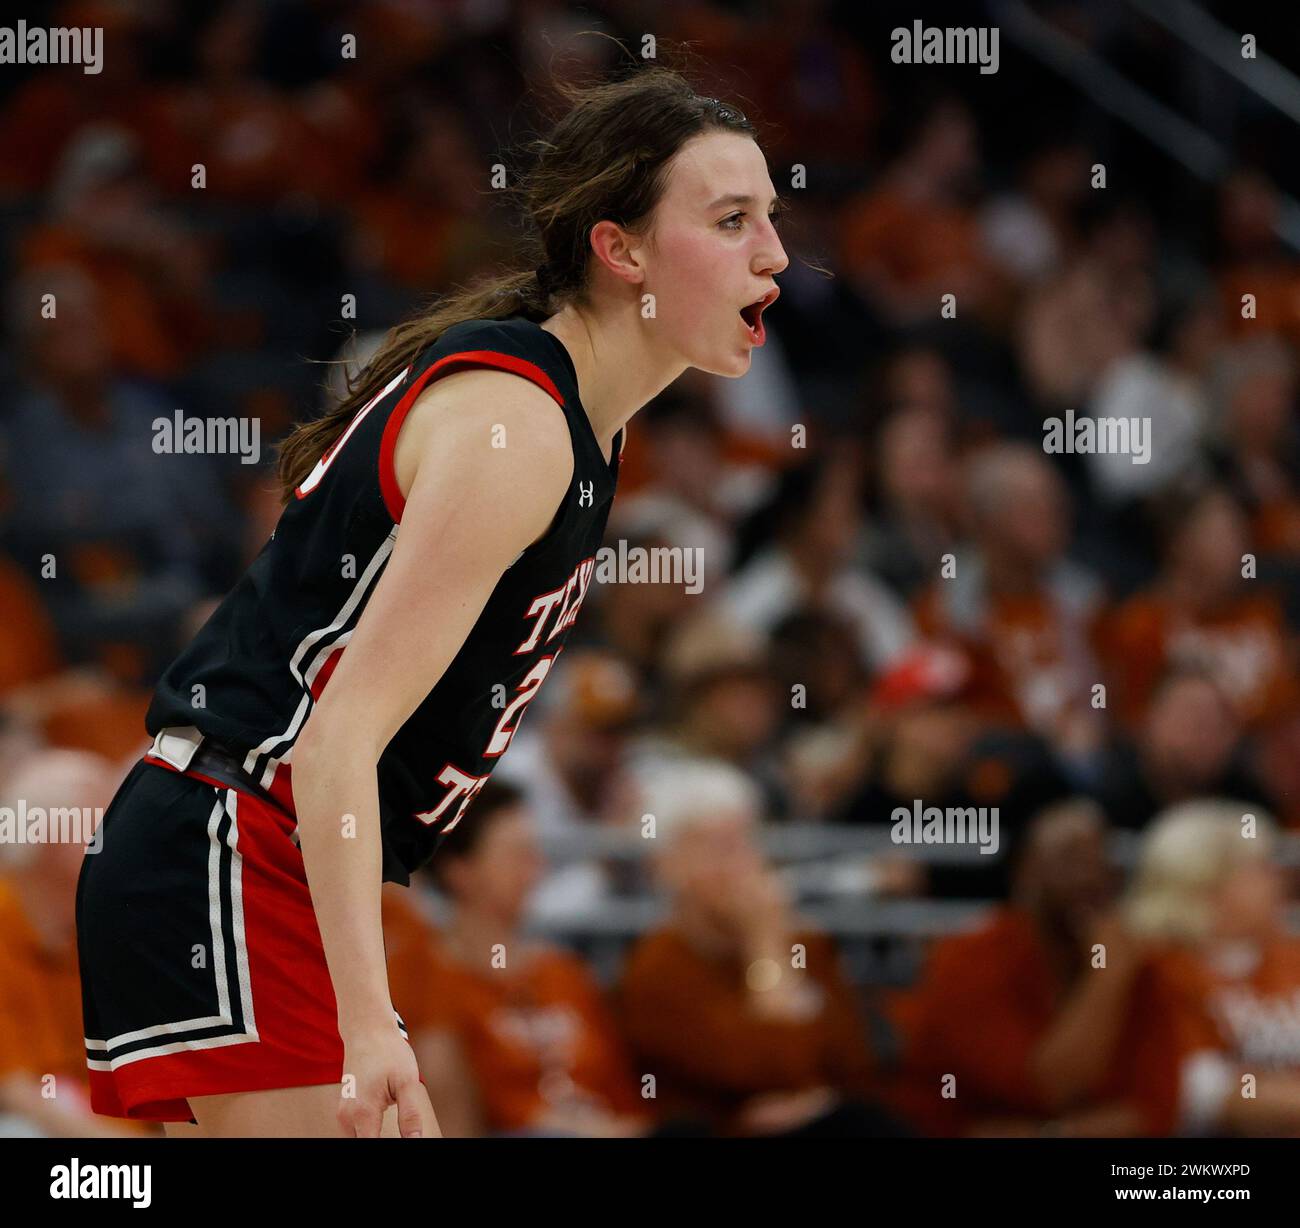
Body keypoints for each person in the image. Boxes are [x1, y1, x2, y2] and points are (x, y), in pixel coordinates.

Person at [75, 60, 790, 1138]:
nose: (774, 254)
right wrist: (371, 1025)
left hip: (246, 852)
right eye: (731, 220)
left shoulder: (582, 425)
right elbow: (334, 740)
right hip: (238, 842)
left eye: (770, 218)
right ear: (620, 247)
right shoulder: (520, 426)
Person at [383, 780, 649, 1138]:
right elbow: (452, 1117)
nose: (535, 868)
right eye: (517, 855)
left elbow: (625, 1096)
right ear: (459, 870)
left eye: (535, 853)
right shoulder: (421, 975)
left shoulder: (563, 972)